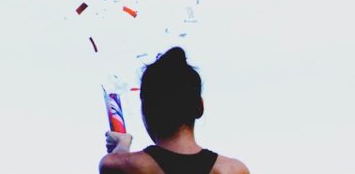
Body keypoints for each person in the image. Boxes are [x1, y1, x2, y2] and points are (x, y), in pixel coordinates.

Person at [98, 47, 249, 174]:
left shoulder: (121, 165)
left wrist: (122, 144)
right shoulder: (233, 170)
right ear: (199, 107)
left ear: (146, 111)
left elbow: (116, 162)